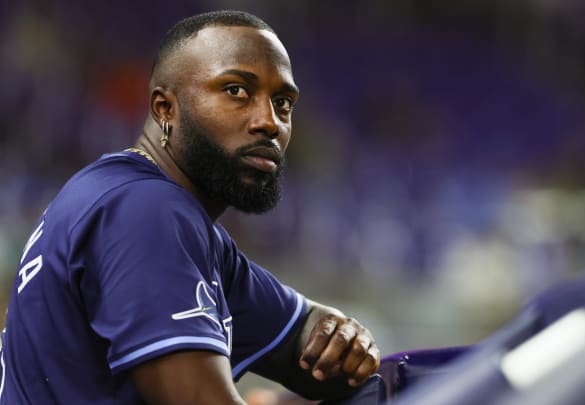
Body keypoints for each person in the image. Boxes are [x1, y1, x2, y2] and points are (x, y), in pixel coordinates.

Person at [0, 10, 380, 404]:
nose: (270, 122)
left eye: (283, 102)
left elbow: (304, 331)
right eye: (237, 91)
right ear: (165, 108)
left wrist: (340, 334)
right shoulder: (145, 211)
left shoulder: (164, 216)